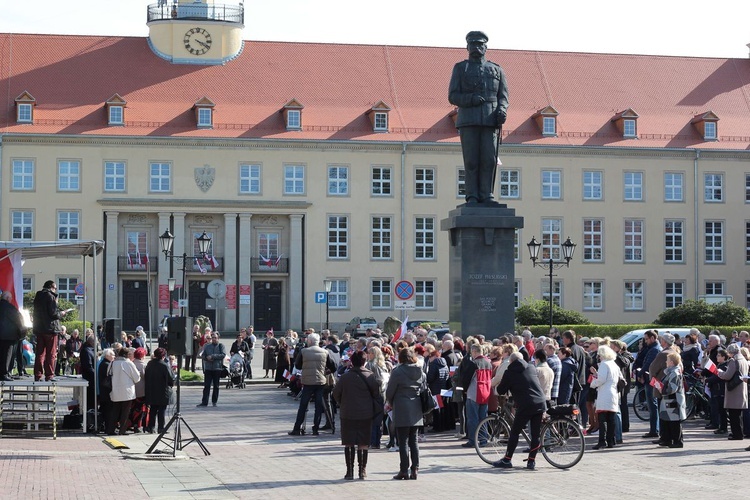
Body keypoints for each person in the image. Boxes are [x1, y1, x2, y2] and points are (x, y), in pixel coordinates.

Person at [448, 30, 509, 205]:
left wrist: (502, 110)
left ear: (485, 47)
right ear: (467, 47)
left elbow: (503, 96)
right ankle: (472, 196)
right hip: (468, 119)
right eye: (473, 44)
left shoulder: (496, 69)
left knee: (489, 159)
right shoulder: (460, 68)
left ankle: (487, 194)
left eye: (480, 44)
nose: (476, 47)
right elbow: (453, 96)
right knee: (471, 160)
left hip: (490, 120)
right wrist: (470, 99)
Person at [493, 352, 547, 470]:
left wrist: (496, 388)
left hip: (526, 404)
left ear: (511, 361)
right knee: (535, 434)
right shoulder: (531, 367)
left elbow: (501, 390)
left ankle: (507, 460)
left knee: (515, 432)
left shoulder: (510, 372)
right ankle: (531, 462)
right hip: (540, 402)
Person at [332, 350, 381, 480]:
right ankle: (362, 470)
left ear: (351, 362)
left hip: (347, 413)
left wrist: (343, 402)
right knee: (363, 443)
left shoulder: (345, 377)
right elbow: (377, 394)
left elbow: (335, 394)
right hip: (366, 414)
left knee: (348, 442)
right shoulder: (370, 377)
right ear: (364, 362)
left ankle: (349, 471)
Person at [386, 347, 424, 480]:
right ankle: (415, 468)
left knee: (403, 441)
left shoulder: (397, 371)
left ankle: (404, 470)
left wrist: (390, 402)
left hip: (402, 406)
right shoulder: (420, 370)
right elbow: (424, 387)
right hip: (417, 406)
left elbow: (390, 391)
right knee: (414, 440)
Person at [288, 333, 337, 436]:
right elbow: (333, 367)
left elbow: (297, 365)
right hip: (320, 381)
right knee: (318, 406)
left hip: (307, 381)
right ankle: (315, 428)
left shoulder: (304, 351)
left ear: (309, 341)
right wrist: (325, 371)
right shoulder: (325, 352)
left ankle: (297, 428)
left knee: (303, 405)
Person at [32, 280, 68, 381]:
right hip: (50, 329)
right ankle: (49, 375)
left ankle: (37, 375)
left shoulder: (38, 296)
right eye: (55, 288)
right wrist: (61, 313)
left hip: (39, 329)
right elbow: (53, 313)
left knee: (39, 353)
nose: (55, 290)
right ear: (51, 287)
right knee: (51, 354)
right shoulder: (51, 296)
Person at [590, 345, 621, 450]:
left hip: (605, 393)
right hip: (613, 392)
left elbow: (601, 379)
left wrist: (593, 383)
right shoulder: (614, 364)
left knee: (602, 418)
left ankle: (602, 441)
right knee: (611, 418)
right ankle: (611, 440)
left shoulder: (604, 364)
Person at [716, 343, 748, 441]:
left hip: (734, 390)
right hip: (742, 388)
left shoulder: (733, 361)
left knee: (734, 414)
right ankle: (739, 433)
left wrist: (719, 372)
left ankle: (736, 434)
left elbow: (727, 376)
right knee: (739, 415)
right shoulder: (743, 360)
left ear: (730, 352)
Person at [106, 347, 141, 436]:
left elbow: (108, 374)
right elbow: (137, 378)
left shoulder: (112, 363)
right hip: (127, 391)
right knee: (125, 412)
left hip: (115, 390)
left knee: (115, 411)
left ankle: (111, 429)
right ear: (126, 355)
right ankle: (122, 430)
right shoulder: (128, 363)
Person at [659, 352, 686, 448]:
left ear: (671, 362)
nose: (666, 362)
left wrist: (661, 389)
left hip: (673, 400)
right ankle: (667, 439)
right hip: (669, 400)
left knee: (674, 421)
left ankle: (677, 441)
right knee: (667, 420)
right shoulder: (671, 372)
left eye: (667, 360)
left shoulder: (674, 373)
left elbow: (672, 388)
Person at [144, 347, 174, 434]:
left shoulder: (150, 364)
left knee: (153, 409)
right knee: (161, 410)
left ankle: (151, 427)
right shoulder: (164, 365)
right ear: (163, 356)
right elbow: (170, 379)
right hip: (162, 391)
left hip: (151, 390)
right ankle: (161, 428)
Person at [0, 290, 25, 381]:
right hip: (8, 335)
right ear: (7, 298)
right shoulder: (11, 308)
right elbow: (18, 321)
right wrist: (21, 332)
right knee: (7, 355)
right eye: (10, 298)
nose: (11, 299)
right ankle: (4, 373)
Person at [198, 331, 225, 407]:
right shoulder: (207, 346)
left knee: (216, 386)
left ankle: (214, 401)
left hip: (217, 368)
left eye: (215, 338)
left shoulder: (221, 346)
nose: (213, 339)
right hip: (208, 369)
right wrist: (207, 358)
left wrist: (213, 356)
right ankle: (204, 402)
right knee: (207, 386)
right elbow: (203, 355)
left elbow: (223, 355)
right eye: (212, 338)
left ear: (218, 338)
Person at [79, 334, 97, 416]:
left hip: (92, 378)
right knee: (90, 399)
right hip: (89, 378)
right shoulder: (86, 351)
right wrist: (96, 374)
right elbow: (88, 366)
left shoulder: (91, 350)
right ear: (92, 342)